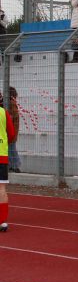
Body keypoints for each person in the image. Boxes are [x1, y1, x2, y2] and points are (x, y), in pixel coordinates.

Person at [0, 96, 17, 231]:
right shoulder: (4, 113)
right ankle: (2, 221)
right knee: (2, 189)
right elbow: (11, 134)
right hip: (2, 155)